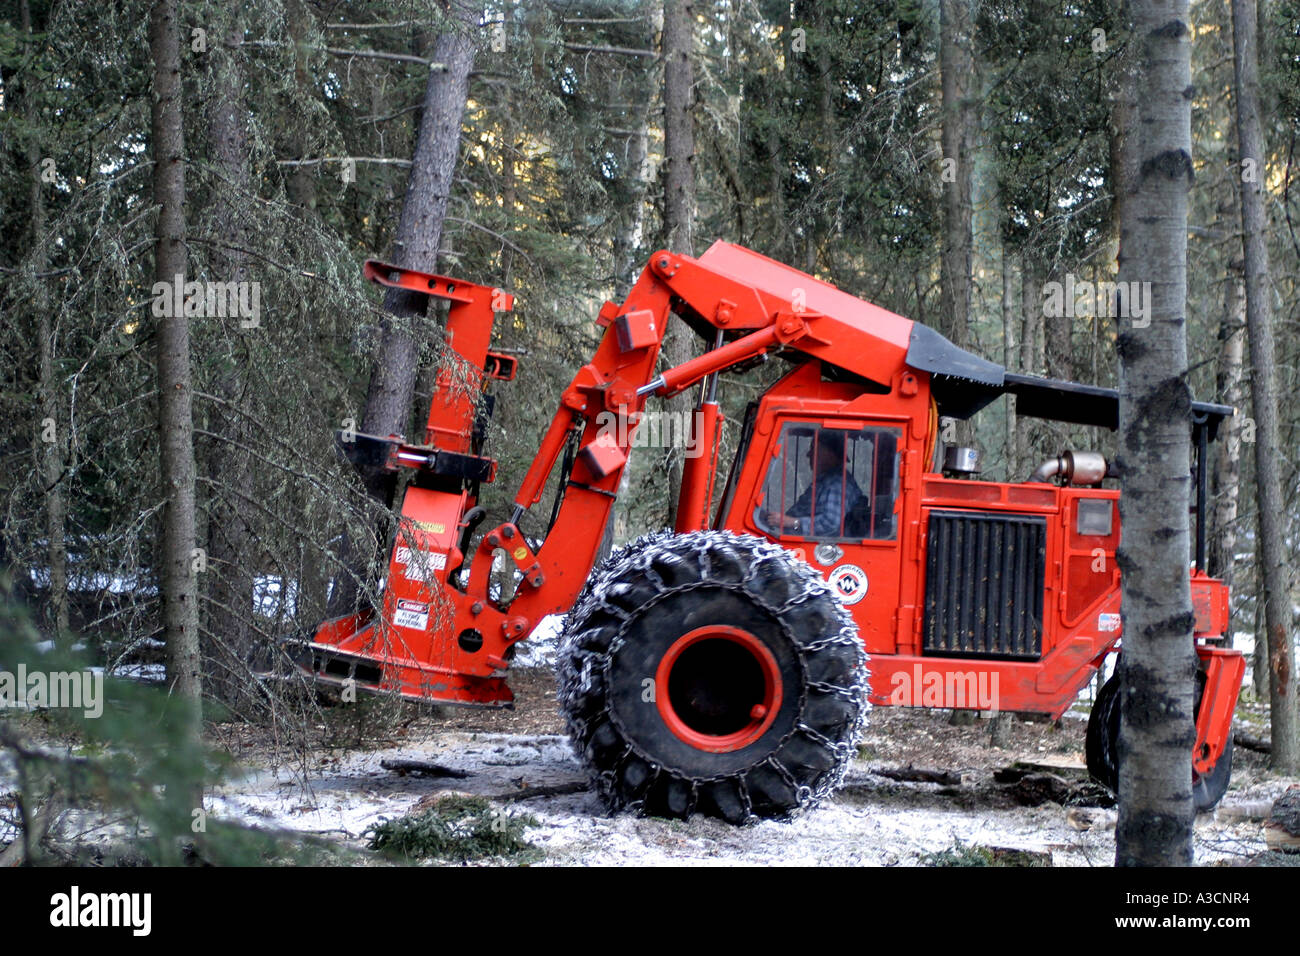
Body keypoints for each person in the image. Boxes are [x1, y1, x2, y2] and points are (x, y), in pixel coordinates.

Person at [763, 430, 864, 537]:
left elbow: (830, 523)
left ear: (828, 454)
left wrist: (792, 522)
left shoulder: (837, 484)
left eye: (813, 448)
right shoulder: (826, 480)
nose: (808, 454)